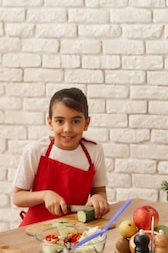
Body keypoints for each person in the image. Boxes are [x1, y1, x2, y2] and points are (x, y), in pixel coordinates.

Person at [12, 87, 110, 226]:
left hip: (75, 229)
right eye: (60, 121)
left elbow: (100, 192)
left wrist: (97, 199)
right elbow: (17, 197)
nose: (67, 129)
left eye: (75, 121)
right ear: (50, 122)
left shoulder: (94, 150)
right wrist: (45, 195)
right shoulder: (36, 151)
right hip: (34, 229)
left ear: (86, 123)